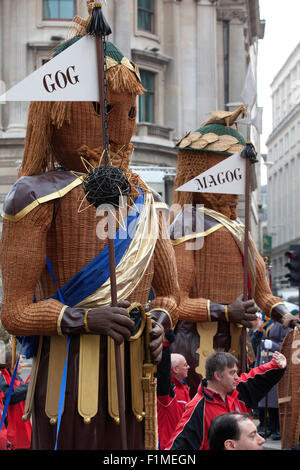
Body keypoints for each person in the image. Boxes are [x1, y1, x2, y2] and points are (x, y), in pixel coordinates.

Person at [0, 3, 179, 450]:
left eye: (131, 113)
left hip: (135, 380)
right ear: (59, 110)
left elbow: (172, 293)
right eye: (104, 110)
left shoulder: (146, 200)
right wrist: (81, 318)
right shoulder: (35, 196)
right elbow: (14, 311)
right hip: (65, 382)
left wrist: (159, 319)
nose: (121, 131)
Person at [169, 108, 300, 397]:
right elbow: (177, 302)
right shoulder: (187, 223)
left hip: (238, 347)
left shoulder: (239, 228)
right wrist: (226, 310)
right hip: (197, 347)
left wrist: (285, 315)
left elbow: (263, 295)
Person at [166, 350, 287, 450]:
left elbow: (256, 377)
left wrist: (276, 365)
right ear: (218, 376)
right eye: (232, 373)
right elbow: (179, 447)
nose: (237, 377)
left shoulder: (237, 391)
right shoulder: (197, 407)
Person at [250, 314, 290, 440]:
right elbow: (254, 345)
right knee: (262, 398)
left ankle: (276, 428)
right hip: (262, 359)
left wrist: (272, 345)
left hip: (275, 362)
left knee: (274, 400)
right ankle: (264, 426)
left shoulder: (282, 324)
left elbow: (287, 344)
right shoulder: (261, 323)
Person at [156, 332, 190, 450]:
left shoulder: (184, 388)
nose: (189, 367)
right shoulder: (167, 392)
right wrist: (165, 345)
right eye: (185, 365)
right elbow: (163, 372)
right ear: (175, 369)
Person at [0, 347, 31, 449]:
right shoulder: (2, 377)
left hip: (21, 427)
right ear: (11, 364)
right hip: (10, 431)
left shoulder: (16, 377)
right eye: (20, 363)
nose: (22, 365)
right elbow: (10, 397)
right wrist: (29, 385)